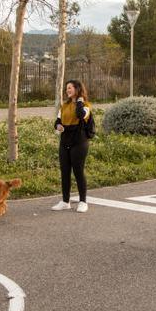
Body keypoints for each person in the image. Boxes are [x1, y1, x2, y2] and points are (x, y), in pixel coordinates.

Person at [50, 80, 93, 213]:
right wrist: (58, 126)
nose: (67, 90)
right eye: (66, 88)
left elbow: (81, 115)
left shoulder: (86, 105)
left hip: (79, 142)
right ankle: (65, 201)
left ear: (77, 89)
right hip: (65, 141)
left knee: (78, 172)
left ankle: (83, 202)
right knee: (65, 172)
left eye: (70, 88)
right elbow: (57, 121)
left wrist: (79, 100)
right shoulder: (64, 105)